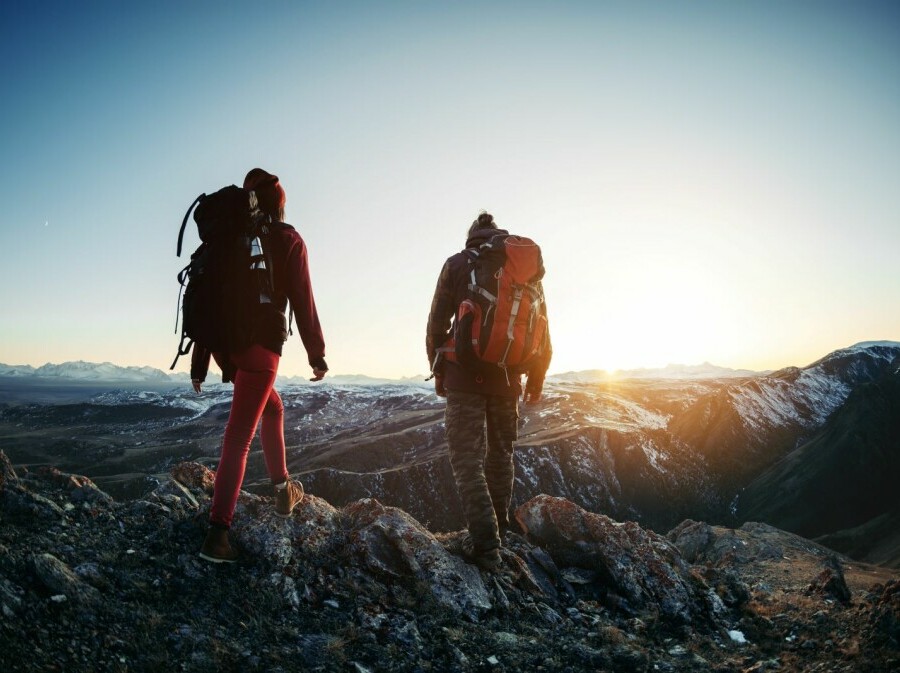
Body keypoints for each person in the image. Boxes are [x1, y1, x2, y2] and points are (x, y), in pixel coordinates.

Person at [192, 168, 328, 563]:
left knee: (273, 406)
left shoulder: (231, 239)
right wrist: (316, 354)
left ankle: (283, 490)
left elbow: (210, 300)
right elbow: (303, 301)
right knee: (238, 439)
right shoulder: (288, 239)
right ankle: (218, 535)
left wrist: (201, 364)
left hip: (227, 348)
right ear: (280, 204)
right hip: (260, 348)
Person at [426, 211, 551, 571]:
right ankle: (499, 530)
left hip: (464, 375)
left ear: (472, 236)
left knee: (467, 459)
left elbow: (437, 322)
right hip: (509, 378)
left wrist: (438, 370)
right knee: (501, 454)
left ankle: (486, 547)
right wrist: (536, 380)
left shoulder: (457, 264)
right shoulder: (525, 271)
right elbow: (543, 328)